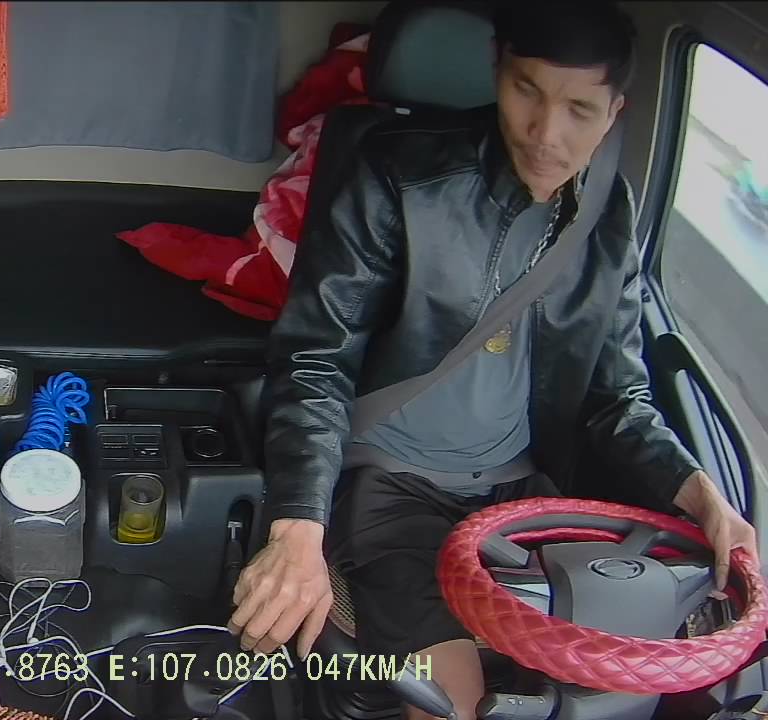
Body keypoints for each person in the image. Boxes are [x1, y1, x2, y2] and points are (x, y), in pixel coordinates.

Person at [230, 3, 758, 719]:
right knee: (451, 704)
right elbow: (316, 360)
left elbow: (618, 398)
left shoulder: (610, 211)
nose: (546, 133)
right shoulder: (396, 173)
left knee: (610, 684)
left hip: (527, 493)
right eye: (526, 91)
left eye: (579, 109)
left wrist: (702, 495)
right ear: (497, 72)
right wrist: (297, 527)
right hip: (391, 482)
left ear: (615, 112)